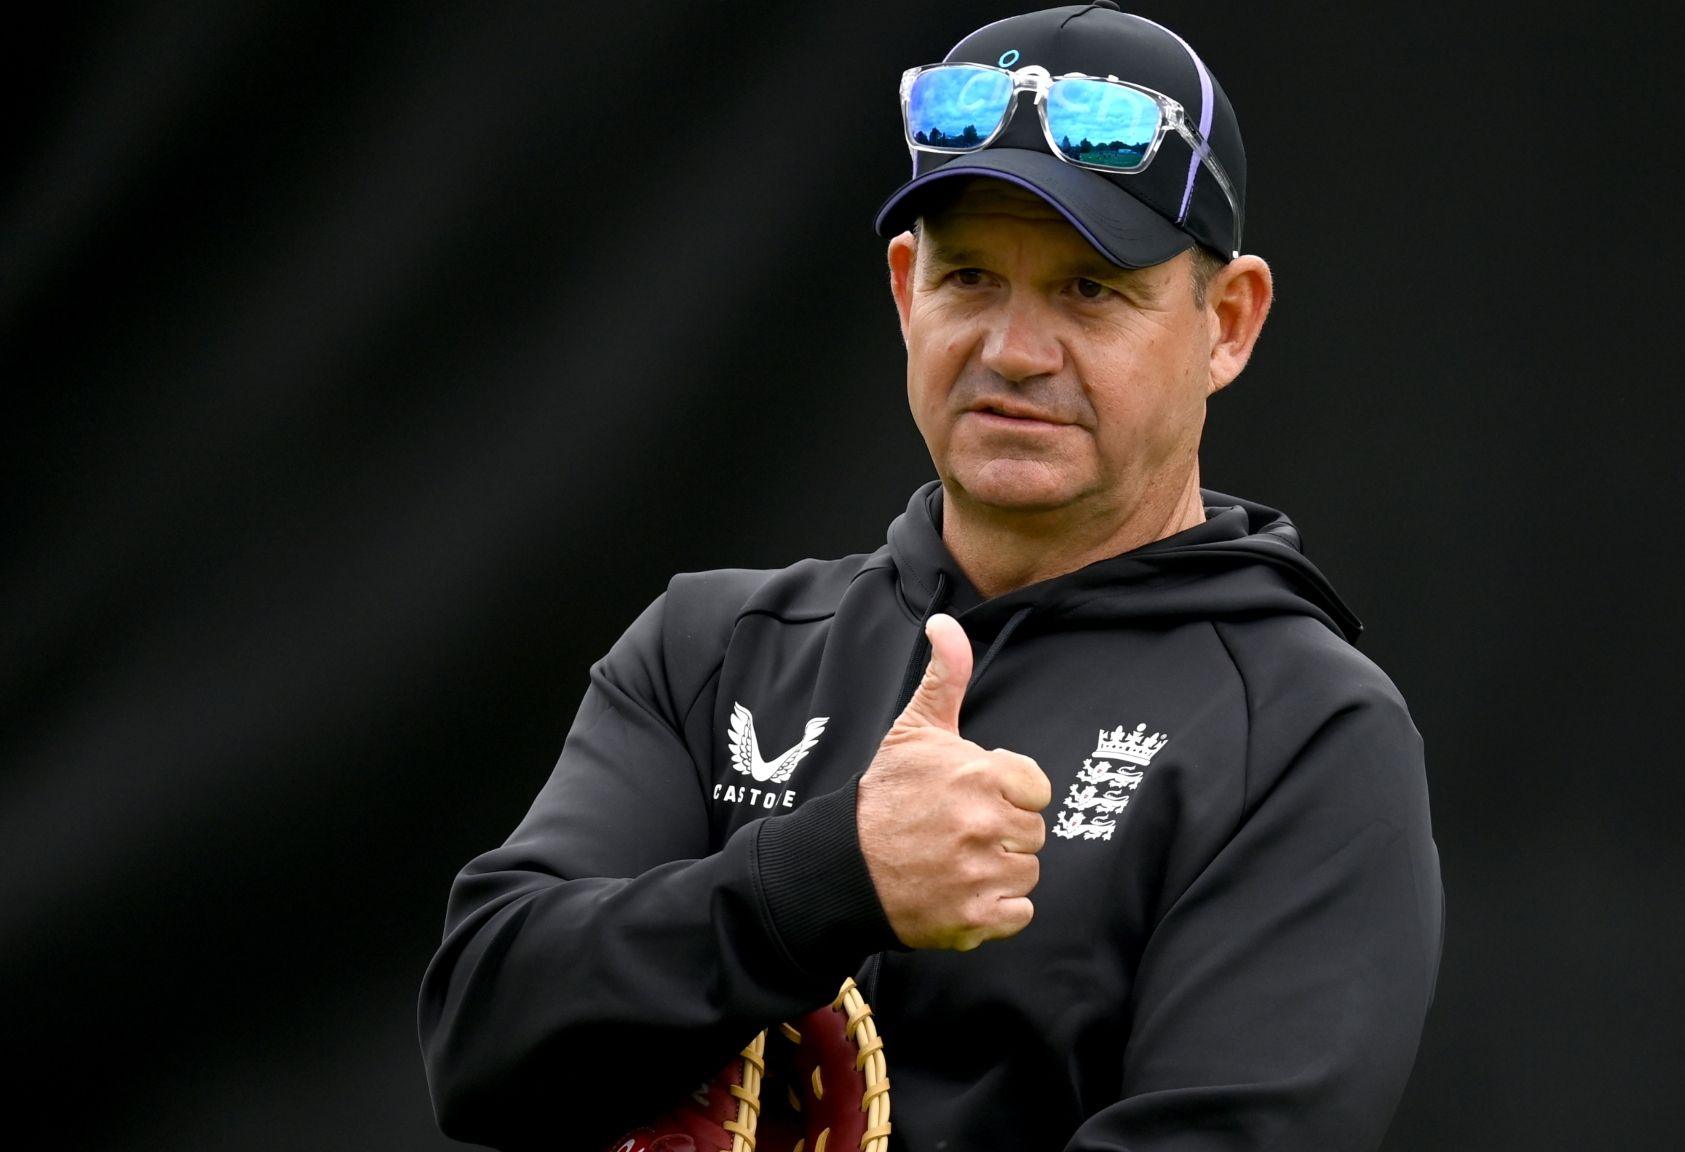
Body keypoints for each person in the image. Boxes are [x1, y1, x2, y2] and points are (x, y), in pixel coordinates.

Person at [418, 3, 1443, 1148]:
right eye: (968, 278)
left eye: (1089, 290)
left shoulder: (1306, 732)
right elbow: (482, 1037)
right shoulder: (714, 648)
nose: (1013, 349)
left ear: (1227, 323)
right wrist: (829, 876)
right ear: (906, 289)